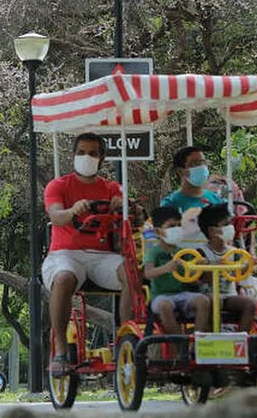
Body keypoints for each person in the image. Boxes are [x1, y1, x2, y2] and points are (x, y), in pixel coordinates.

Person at [42, 132, 133, 377]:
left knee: (131, 271)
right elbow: (56, 216)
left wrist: (123, 207)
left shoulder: (112, 188)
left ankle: (127, 338)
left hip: (102, 256)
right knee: (64, 278)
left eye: (93, 153)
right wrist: (72, 210)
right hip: (66, 254)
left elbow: (134, 216)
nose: (87, 157)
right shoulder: (58, 186)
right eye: (81, 152)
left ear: (102, 158)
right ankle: (60, 347)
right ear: (73, 155)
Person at [144, 207, 211, 335]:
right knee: (165, 306)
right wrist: (166, 268)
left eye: (179, 225)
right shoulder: (154, 252)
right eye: (171, 226)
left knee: (204, 301)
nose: (176, 229)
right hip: (160, 296)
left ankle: (198, 341)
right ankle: (179, 345)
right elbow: (148, 273)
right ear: (158, 232)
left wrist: (200, 265)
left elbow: (192, 275)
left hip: (184, 294)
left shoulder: (184, 251)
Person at [196, 205, 256, 331]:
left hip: (230, 295)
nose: (231, 227)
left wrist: (250, 263)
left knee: (250, 304)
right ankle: (215, 339)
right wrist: (212, 267)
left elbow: (240, 272)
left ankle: (240, 341)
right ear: (212, 231)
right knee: (215, 301)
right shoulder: (201, 252)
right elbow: (202, 279)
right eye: (226, 224)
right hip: (209, 295)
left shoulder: (234, 252)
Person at [161, 146, 226, 212]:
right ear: (180, 171)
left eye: (203, 162)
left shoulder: (216, 200)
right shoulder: (171, 204)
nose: (201, 167)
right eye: (194, 164)